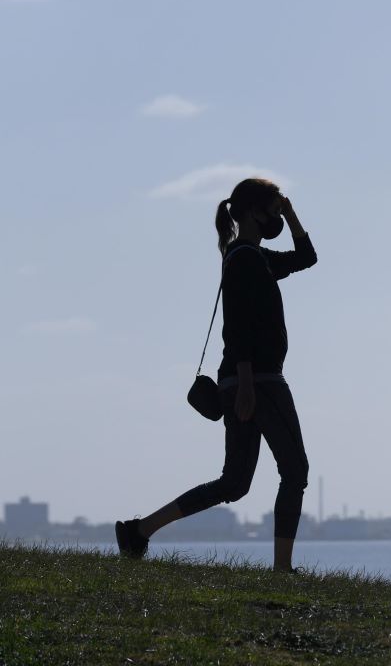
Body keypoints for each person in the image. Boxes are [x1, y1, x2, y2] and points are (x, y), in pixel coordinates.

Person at [115, 177, 318, 572]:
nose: (276, 216)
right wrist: (245, 385)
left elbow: (306, 257)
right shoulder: (245, 259)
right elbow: (237, 325)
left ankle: (139, 531)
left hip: (243, 381)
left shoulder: (253, 258)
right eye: (272, 209)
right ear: (250, 212)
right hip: (258, 381)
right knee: (295, 471)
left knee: (234, 482)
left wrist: (291, 214)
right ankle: (281, 569)